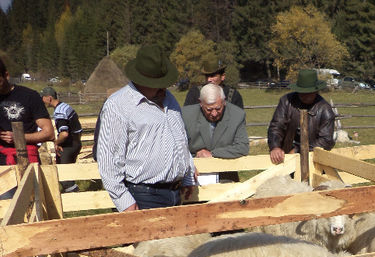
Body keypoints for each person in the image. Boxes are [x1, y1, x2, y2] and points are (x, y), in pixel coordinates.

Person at [95, 45, 195, 212]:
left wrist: (187, 175)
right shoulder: (118, 106)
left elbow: (180, 139)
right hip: (142, 196)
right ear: (141, 81)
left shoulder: (169, 99)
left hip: (175, 193)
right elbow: (109, 158)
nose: (164, 88)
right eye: (157, 84)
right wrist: (123, 200)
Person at [182, 83, 249, 184]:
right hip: (193, 176)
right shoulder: (185, 115)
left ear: (224, 101)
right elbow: (177, 147)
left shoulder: (237, 115)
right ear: (200, 103)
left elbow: (243, 147)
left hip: (225, 175)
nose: (214, 113)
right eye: (209, 109)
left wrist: (212, 154)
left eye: (218, 108)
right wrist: (193, 159)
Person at [267, 69, 336, 165]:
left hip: (313, 161)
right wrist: (275, 146)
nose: (305, 96)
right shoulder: (286, 101)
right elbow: (276, 126)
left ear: (316, 91)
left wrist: (298, 151)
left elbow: (326, 141)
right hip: (285, 157)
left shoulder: (325, 110)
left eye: (309, 92)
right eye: (302, 92)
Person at [0, 58, 54, 166]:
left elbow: (49, 133)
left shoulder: (29, 96)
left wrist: (18, 137)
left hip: (26, 157)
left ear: (6, 75)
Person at [40, 86, 82, 191]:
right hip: (76, 142)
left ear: (49, 98)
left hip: (69, 146)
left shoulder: (59, 112)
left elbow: (64, 134)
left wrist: (56, 143)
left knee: (64, 176)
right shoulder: (65, 107)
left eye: (43, 98)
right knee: (69, 173)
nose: (42, 101)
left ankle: (74, 197)